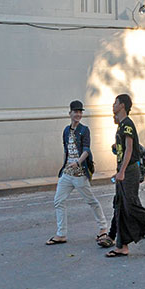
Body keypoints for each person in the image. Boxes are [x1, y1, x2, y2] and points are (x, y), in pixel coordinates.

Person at [105, 93, 145, 258]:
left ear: (122, 105)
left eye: (115, 102)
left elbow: (130, 149)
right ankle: (122, 246)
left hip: (130, 170)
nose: (113, 105)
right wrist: (119, 170)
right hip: (123, 169)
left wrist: (123, 171)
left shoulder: (127, 125)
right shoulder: (121, 125)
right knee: (120, 205)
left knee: (131, 205)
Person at [47, 100, 109, 246]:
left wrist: (78, 162)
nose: (78, 114)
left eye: (80, 112)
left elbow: (87, 150)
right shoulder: (66, 131)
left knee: (91, 201)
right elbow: (66, 150)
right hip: (67, 173)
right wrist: (64, 167)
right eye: (76, 112)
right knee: (58, 200)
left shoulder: (84, 130)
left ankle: (103, 228)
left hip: (79, 173)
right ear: (70, 113)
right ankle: (61, 234)